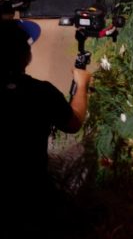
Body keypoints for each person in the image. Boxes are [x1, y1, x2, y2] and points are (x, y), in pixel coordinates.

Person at [1, 19, 91, 235]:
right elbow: (74, 122)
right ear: (25, 56)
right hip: (31, 200)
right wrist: (81, 86)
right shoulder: (40, 93)